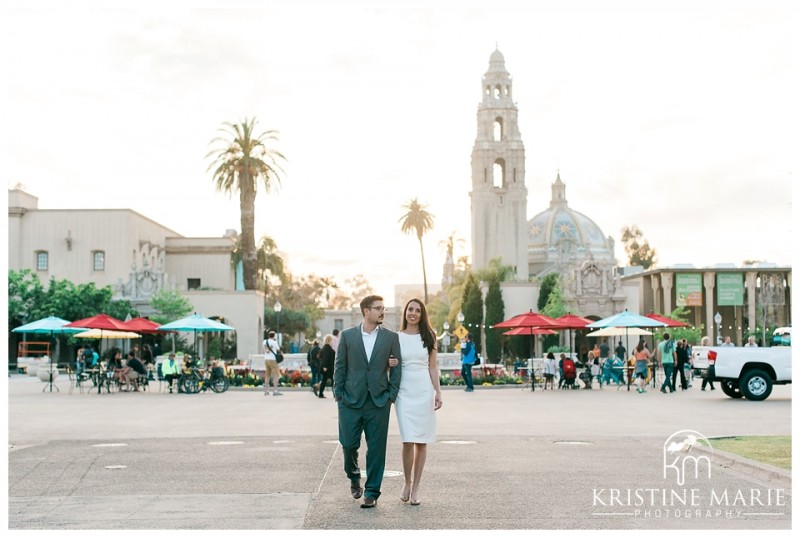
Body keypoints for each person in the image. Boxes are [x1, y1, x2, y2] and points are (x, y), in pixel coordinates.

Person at [333, 295, 402, 509]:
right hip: (350, 401)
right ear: (365, 311)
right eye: (378, 308)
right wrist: (339, 395)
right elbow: (340, 367)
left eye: (384, 308)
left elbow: (397, 367)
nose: (383, 312)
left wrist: (391, 394)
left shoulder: (391, 337)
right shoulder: (348, 336)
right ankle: (353, 477)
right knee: (349, 445)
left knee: (376, 449)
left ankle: (372, 492)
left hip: (379, 401)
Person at [392, 298, 442, 506]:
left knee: (421, 440)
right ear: (405, 312)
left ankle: (417, 487)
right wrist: (390, 363)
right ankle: (406, 481)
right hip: (403, 391)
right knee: (407, 440)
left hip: (423, 390)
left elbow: (432, 367)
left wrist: (438, 392)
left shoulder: (429, 336)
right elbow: (389, 364)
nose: (413, 313)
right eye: (410, 309)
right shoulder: (396, 337)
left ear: (422, 315)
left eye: (417, 311)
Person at [263, 330, 282, 396]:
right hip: (273, 360)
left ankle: (266, 391)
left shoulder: (264, 341)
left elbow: (265, 349)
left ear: (268, 335)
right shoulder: (274, 342)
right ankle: (275, 390)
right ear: (274, 336)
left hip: (266, 359)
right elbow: (278, 350)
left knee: (267, 375)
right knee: (276, 375)